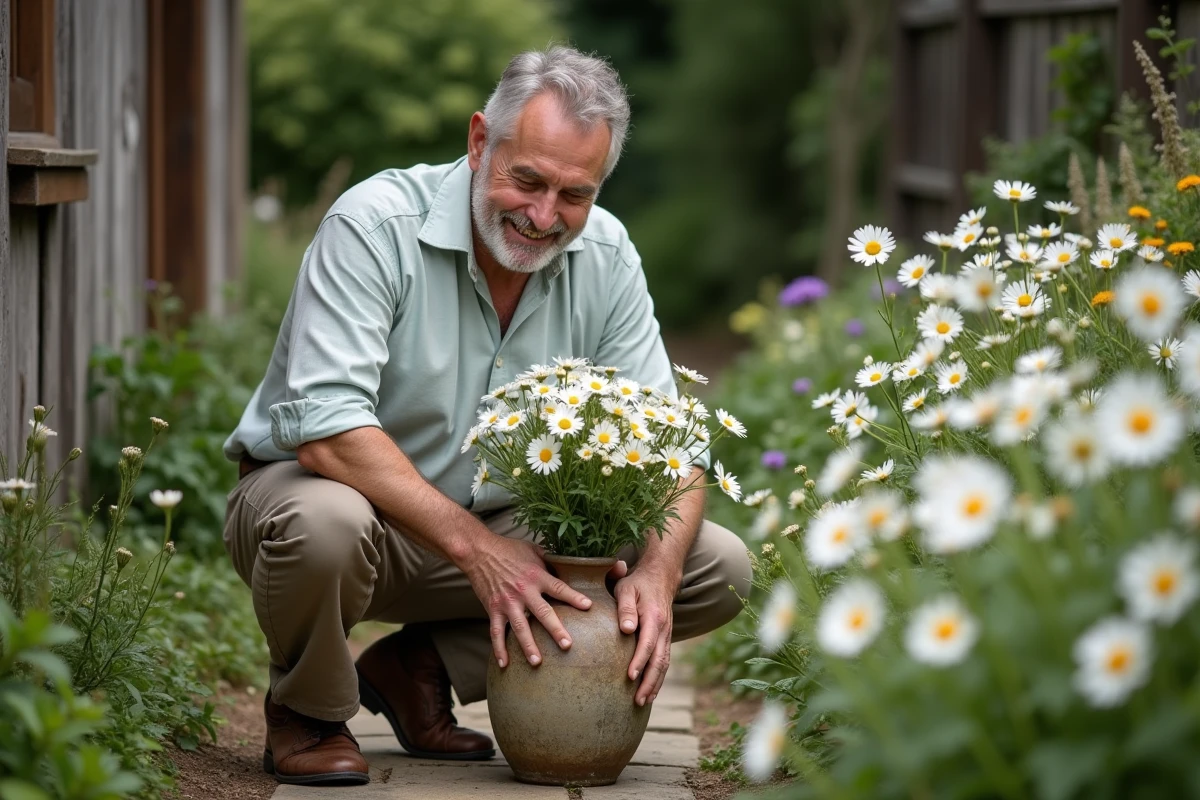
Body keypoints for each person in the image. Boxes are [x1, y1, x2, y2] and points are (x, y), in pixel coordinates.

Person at [223, 45, 752, 786]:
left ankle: (418, 669)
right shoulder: (374, 226)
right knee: (324, 526)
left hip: (510, 531)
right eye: (527, 180)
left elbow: (672, 443)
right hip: (351, 518)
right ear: (480, 142)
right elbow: (328, 429)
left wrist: (657, 578)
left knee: (712, 568)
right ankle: (306, 711)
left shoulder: (608, 255)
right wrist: (479, 551)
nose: (543, 216)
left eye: (575, 194)